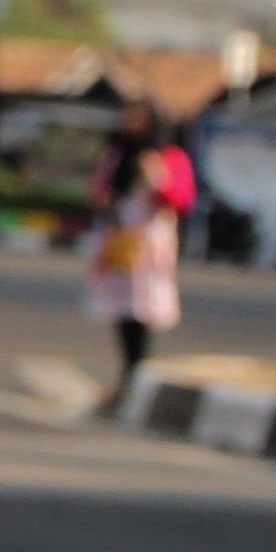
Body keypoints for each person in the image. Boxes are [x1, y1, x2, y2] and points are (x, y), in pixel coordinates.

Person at [84, 98, 192, 404]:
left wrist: (156, 177)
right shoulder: (118, 153)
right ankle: (128, 374)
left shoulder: (169, 157)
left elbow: (182, 200)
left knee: (142, 309)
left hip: (149, 245)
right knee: (122, 310)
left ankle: (136, 376)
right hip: (119, 238)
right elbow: (100, 190)